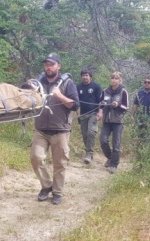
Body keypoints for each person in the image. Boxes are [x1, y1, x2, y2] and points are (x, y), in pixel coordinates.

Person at [30, 53, 79, 205]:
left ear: (59, 66)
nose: (48, 67)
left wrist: (60, 96)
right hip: (41, 130)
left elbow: (75, 105)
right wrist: (30, 91)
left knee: (60, 163)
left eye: (51, 64)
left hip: (60, 130)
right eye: (46, 64)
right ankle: (46, 186)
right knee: (35, 158)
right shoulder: (38, 83)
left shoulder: (67, 83)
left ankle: (57, 192)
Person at [98, 71, 129, 174]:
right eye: (112, 78)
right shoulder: (105, 91)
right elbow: (100, 104)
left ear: (120, 80)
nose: (113, 80)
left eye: (116, 78)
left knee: (116, 143)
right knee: (103, 140)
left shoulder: (123, 92)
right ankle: (110, 158)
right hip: (107, 120)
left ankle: (114, 165)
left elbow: (126, 107)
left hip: (118, 121)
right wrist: (101, 107)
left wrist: (118, 104)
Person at [76, 68, 103, 164]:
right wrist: (77, 114)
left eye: (87, 75)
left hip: (94, 113)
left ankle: (88, 153)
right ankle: (89, 153)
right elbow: (76, 102)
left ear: (90, 76)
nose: (85, 77)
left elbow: (101, 101)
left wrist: (100, 112)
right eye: (83, 75)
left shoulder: (96, 86)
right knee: (85, 135)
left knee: (91, 132)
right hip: (83, 114)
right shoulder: (78, 87)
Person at [130, 76, 150, 142]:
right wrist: (132, 115)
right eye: (145, 82)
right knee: (139, 137)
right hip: (140, 119)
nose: (146, 83)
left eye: (149, 82)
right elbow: (135, 104)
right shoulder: (140, 93)